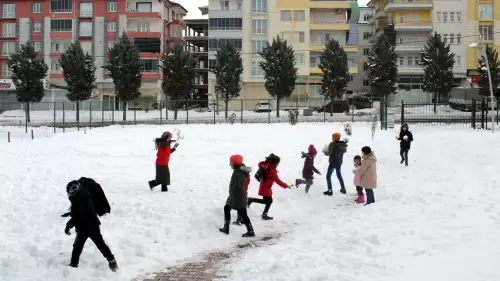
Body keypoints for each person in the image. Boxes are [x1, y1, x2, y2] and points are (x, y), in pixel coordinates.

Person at [64, 179, 118, 271]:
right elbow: (76, 215)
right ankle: (112, 260)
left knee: (80, 246)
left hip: (87, 227)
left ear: (74, 191)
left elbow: (77, 216)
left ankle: (73, 264)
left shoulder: (79, 200)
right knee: (98, 244)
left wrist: (68, 225)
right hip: (91, 225)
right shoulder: (83, 196)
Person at [247, 153, 293, 220]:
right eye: (278, 163)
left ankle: (252, 201)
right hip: (265, 188)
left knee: (268, 201)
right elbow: (278, 181)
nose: (278, 164)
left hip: (266, 187)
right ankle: (263, 213)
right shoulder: (271, 170)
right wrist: (286, 186)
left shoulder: (269, 167)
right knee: (268, 201)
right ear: (275, 163)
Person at [219, 155, 255, 237]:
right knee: (228, 208)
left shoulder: (239, 173)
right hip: (237, 196)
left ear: (234, 163)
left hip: (238, 196)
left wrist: (232, 192)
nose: (229, 164)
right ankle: (226, 228)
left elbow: (238, 186)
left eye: (230, 162)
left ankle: (250, 231)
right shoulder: (239, 170)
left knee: (242, 213)